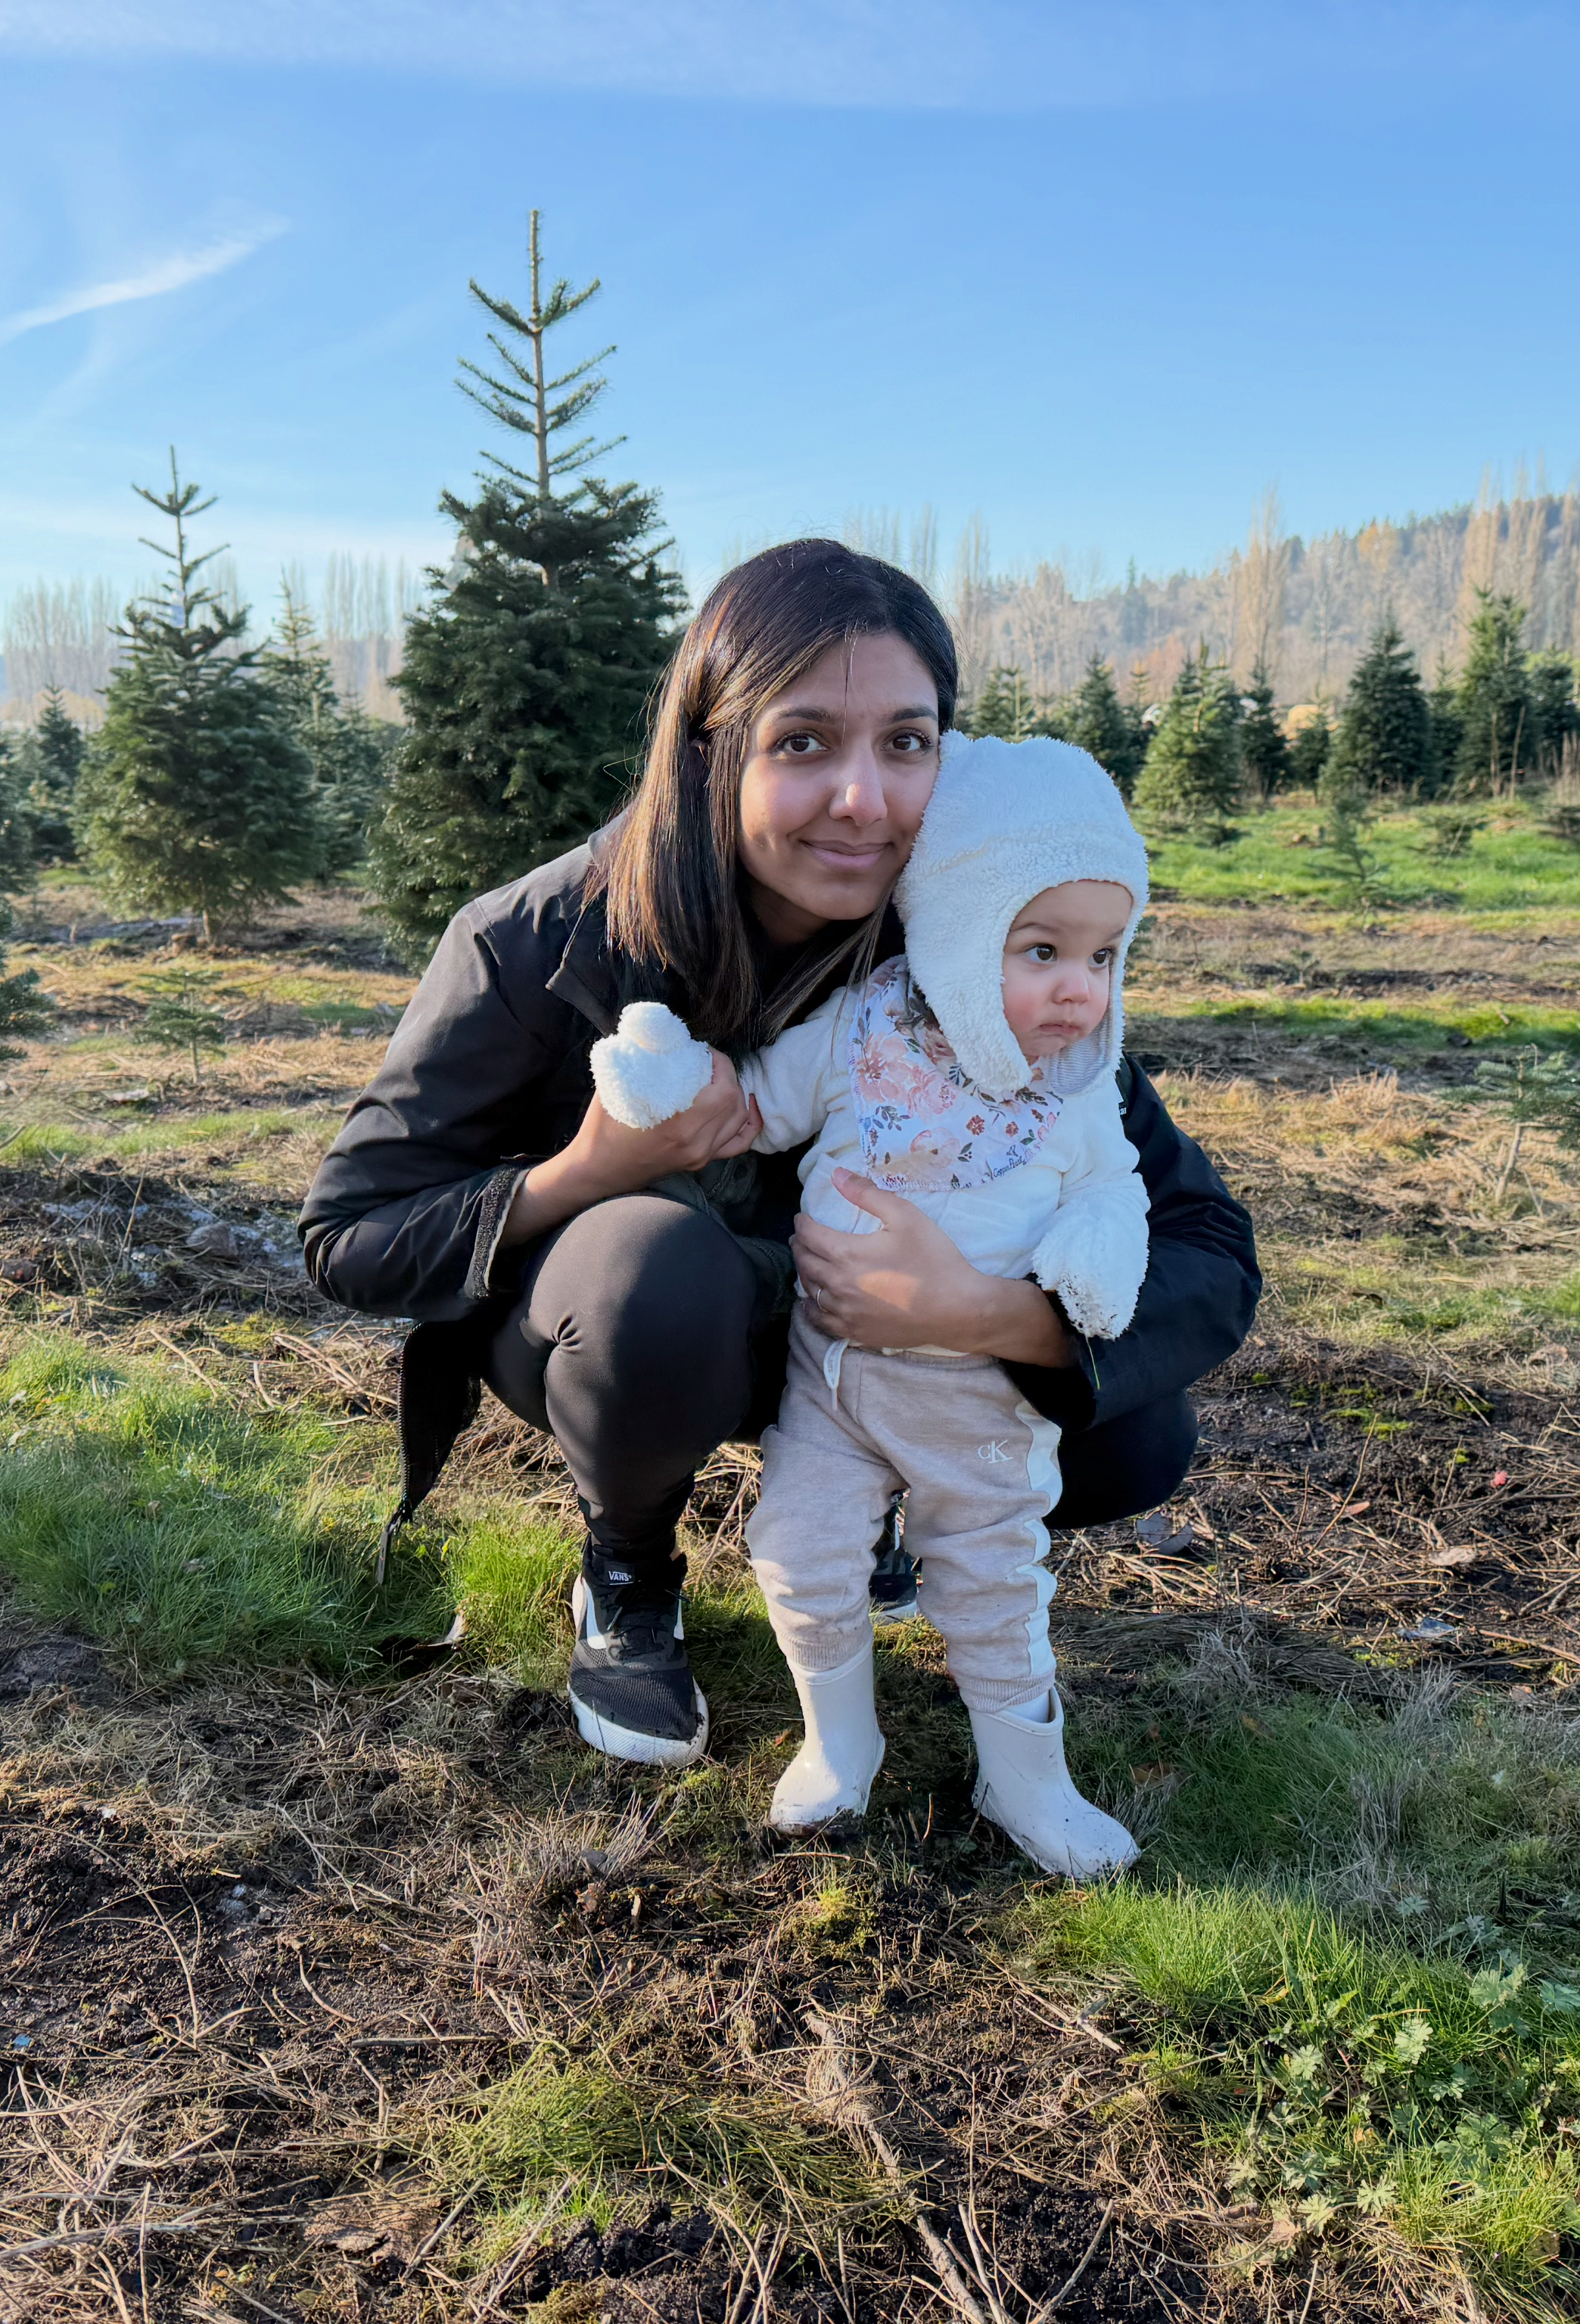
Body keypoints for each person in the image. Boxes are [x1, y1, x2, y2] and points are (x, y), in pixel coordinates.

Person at [297, 540, 1259, 1768]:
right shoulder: (534, 944)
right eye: (803, 741)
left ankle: (882, 1501)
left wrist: (991, 1316)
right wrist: (586, 1171)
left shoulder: (969, 943)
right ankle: (629, 1567)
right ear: (713, 750)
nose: (864, 799)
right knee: (654, 1275)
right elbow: (350, 1235)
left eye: (906, 742)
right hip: (635, 1329)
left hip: (886, 1345)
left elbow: (1206, 1243)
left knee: (1134, 1430)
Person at [717, 732, 1151, 1874]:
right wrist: (675, 1082)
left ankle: (1027, 1780)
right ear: (956, 935)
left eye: (1104, 956)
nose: (1079, 987)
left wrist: (1091, 1262)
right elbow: (755, 1107)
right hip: (834, 1382)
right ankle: (838, 1742)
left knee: (993, 1584)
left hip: (976, 1400)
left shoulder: (1076, 1091)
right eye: (1042, 949)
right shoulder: (859, 1035)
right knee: (799, 1549)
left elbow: (1114, 1186)